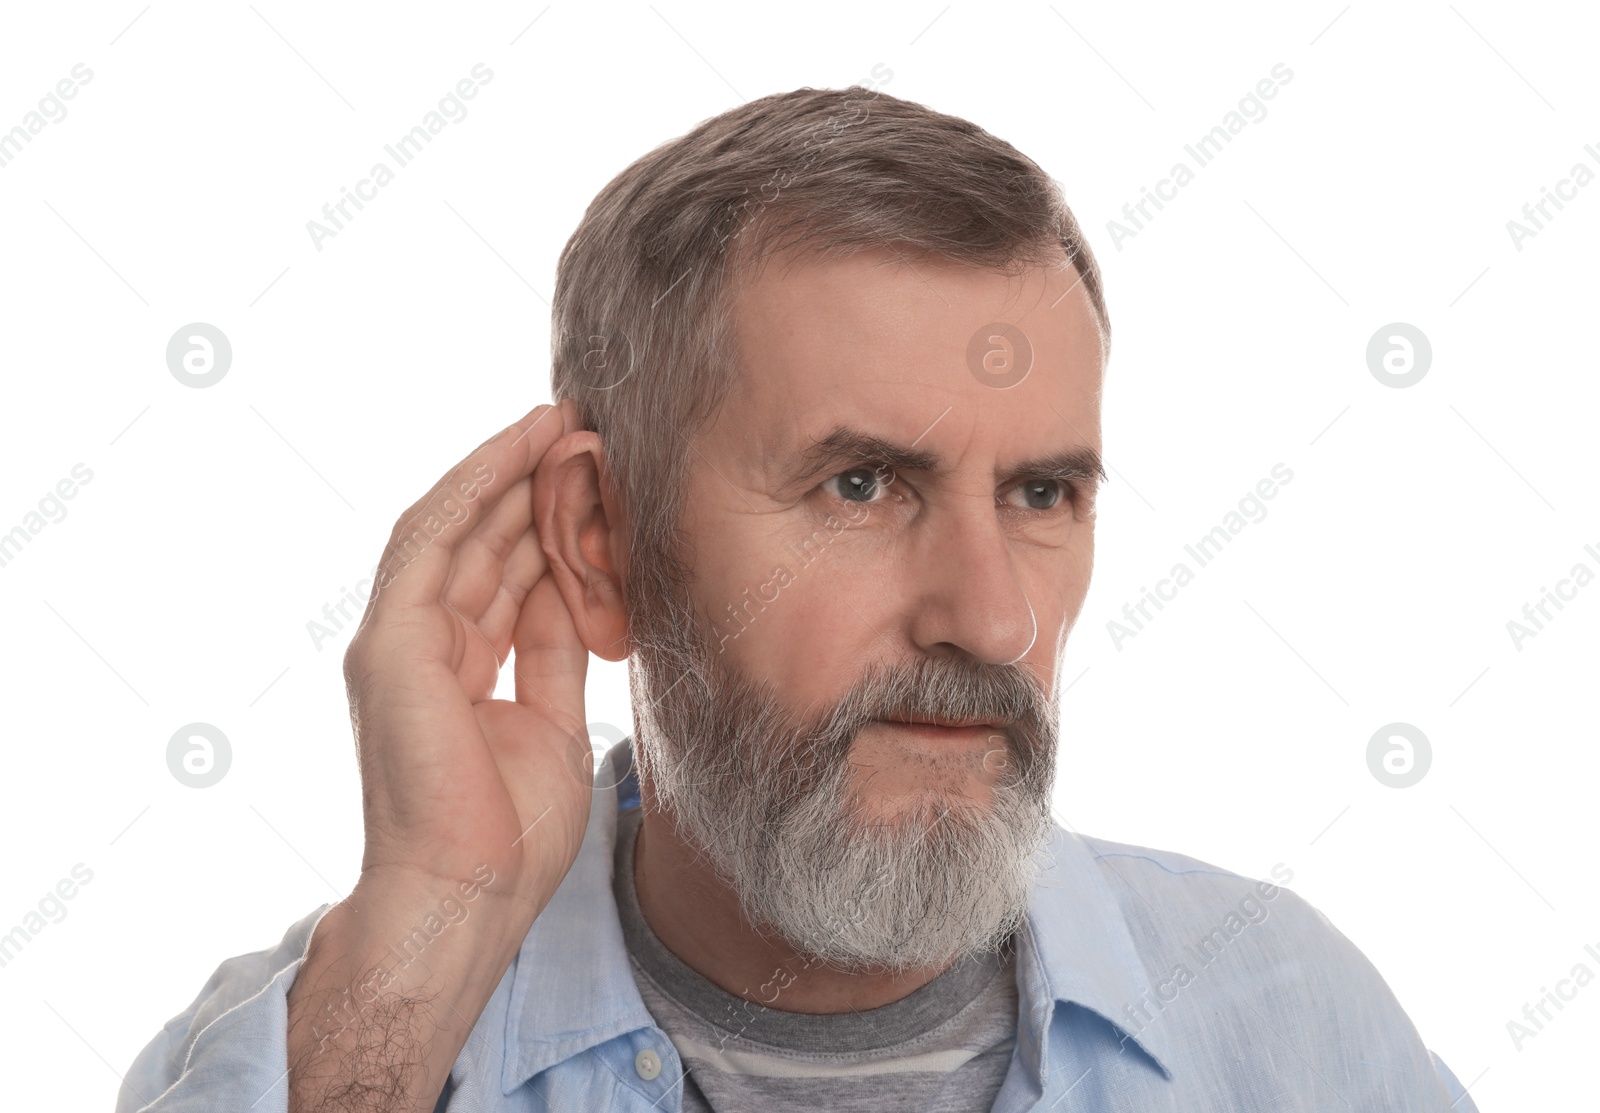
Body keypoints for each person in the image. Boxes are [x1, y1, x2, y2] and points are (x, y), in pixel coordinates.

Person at [117, 86, 1479, 1112]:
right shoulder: (350, 1044)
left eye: (1043, 493)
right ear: (603, 541)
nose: (993, 620)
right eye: (864, 485)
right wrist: (429, 934)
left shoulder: (1296, 1030)